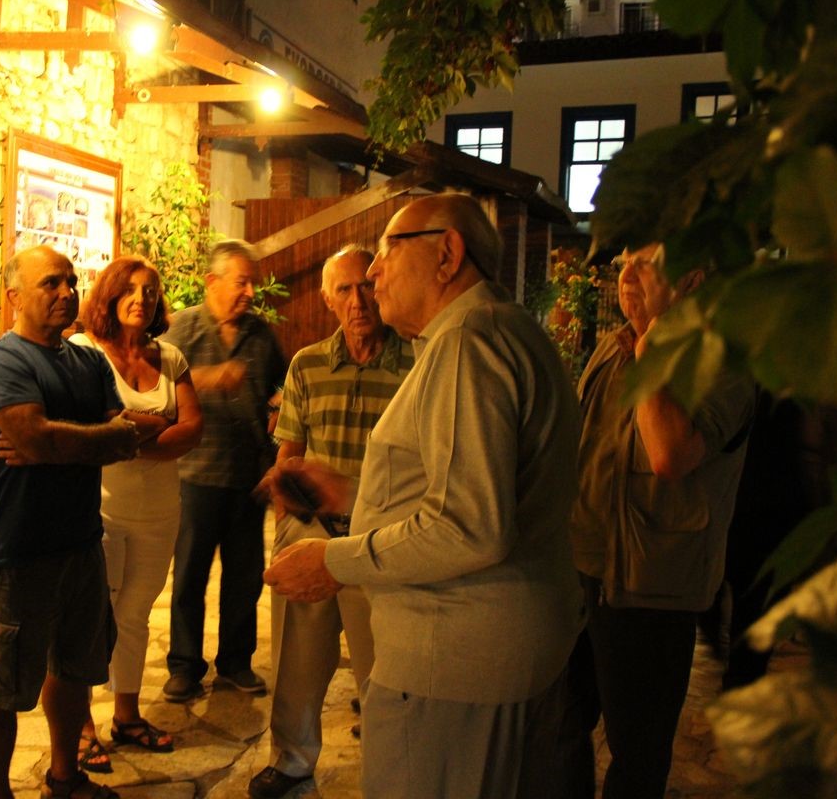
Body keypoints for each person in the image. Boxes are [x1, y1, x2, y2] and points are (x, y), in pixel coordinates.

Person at [262, 193, 583, 799]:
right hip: (499, 648)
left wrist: (335, 561)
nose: (374, 272)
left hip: (455, 659)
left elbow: (470, 526)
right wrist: (354, 494)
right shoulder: (497, 330)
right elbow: (467, 488)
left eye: (386, 250)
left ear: (448, 254)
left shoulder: (467, 342)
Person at [562, 242, 755, 799]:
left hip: (653, 586)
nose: (627, 276)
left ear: (692, 280)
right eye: (624, 264)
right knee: (559, 729)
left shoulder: (722, 361)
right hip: (582, 570)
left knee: (638, 751)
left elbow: (670, 454)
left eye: (645, 264)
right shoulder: (609, 347)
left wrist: (653, 349)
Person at [0, 245, 143, 799]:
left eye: (71, 281)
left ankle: (65, 779)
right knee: (2, 688)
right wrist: (87, 438)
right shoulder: (2, 362)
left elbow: (123, 435)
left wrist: (69, 441)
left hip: (81, 545)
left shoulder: (88, 362)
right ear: (15, 296)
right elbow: (35, 438)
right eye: (51, 284)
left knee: (73, 673)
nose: (67, 292)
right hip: (18, 554)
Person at [248, 245, 413, 799]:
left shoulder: (416, 364)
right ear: (326, 300)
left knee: (383, 668)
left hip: (382, 537)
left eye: (365, 285)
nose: (358, 300)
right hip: (315, 527)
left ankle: (390, 773)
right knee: (297, 657)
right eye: (343, 290)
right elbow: (287, 456)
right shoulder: (307, 364)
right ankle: (291, 762)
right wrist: (287, 530)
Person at [66, 256, 203, 771]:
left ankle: (126, 715)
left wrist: (126, 435)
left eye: (150, 291)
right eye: (131, 289)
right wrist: (153, 426)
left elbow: (193, 428)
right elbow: (87, 425)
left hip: (159, 512)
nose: (141, 299)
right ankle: (79, 725)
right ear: (109, 294)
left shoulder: (170, 358)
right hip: (98, 511)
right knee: (90, 619)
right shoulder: (82, 354)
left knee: (135, 616)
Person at [159, 240, 287, 701]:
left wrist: (278, 412)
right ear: (212, 282)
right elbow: (157, 389)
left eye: (252, 282)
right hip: (195, 475)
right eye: (242, 281)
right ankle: (184, 666)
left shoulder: (261, 334)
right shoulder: (183, 330)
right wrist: (211, 378)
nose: (251, 291)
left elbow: (283, 385)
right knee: (190, 575)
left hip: (247, 476)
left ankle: (235, 662)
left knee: (245, 576)